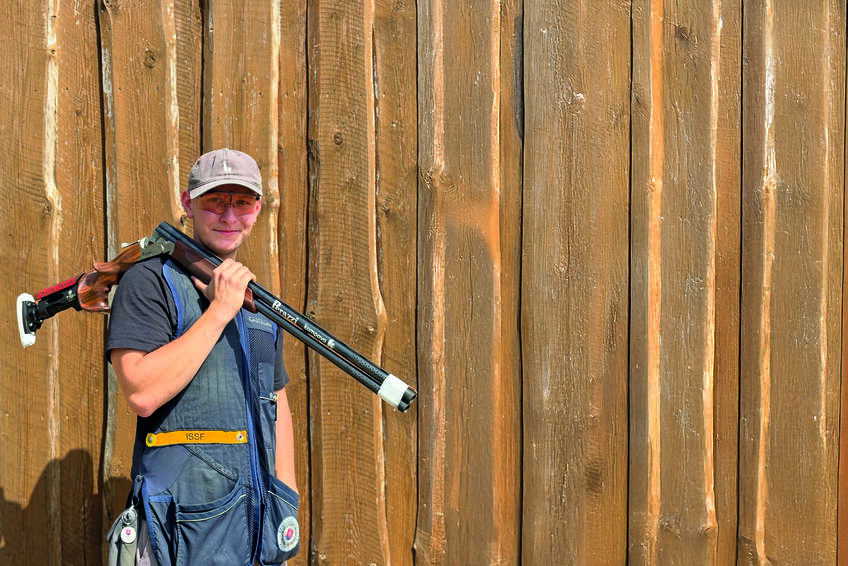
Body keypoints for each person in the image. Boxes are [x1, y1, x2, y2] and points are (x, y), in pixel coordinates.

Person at [106, 148, 299, 566]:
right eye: (215, 201)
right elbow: (141, 391)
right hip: (175, 531)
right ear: (187, 203)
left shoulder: (257, 302)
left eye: (242, 202)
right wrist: (219, 312)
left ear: (258, 208)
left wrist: (286, 499)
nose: (229, 216)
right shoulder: (149, 280)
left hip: (255, 528)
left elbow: (276, 401)